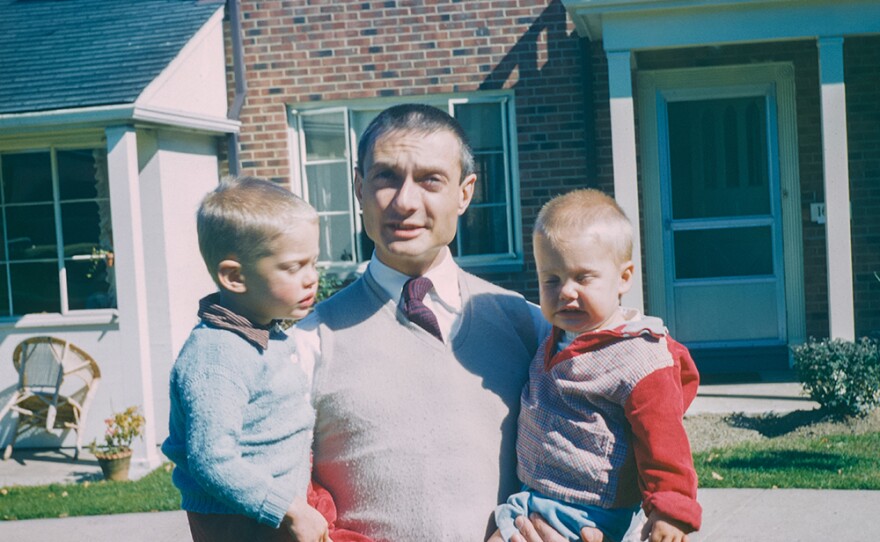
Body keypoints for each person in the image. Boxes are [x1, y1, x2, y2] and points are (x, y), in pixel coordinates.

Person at [291, 103, 556, 541]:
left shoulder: (529, 327)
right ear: (359, 188)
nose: (405, 202)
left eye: (430, 180)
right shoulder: (310, 343)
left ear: (465, 192)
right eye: (386, 177)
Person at [492, 189, 702, 542]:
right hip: (531, 497)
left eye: (583, 277)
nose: (566, 292)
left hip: (588, 511)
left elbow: (664, 440)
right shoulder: (554, 337)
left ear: (623, 278)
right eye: (552, 279)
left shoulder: (641, 358)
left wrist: (671, 510)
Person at [162, 176, 330, 542]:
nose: (311, 278)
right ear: (235, 277)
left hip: (271, 511)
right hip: (239, 521)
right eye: (293, 267)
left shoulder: (263, 332)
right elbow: (213, 461)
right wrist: (291, 509)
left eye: (313, 263)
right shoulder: (217, 356)